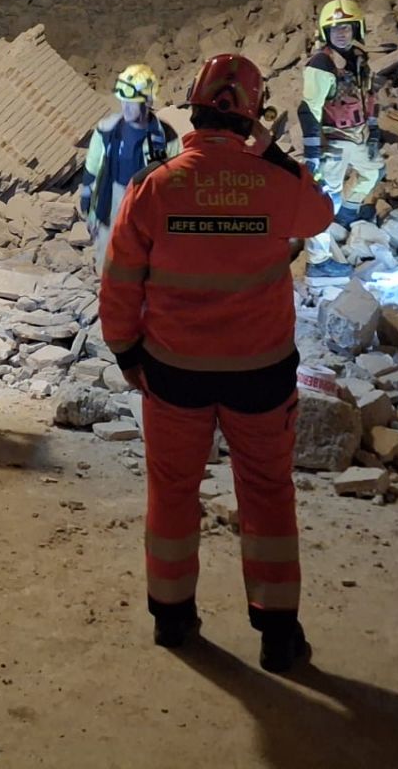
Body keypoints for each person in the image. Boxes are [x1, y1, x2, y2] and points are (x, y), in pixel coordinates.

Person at [100, 53, 334, 674]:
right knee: (266, 495)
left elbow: (120, 279)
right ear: (253, 116)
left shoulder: (157, 184)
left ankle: (173, 618)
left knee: (173, 492)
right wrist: (272, 152)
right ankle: (278, 634)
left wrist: (126, 351)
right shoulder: (274, 182)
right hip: (261, 373)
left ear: (193, 110)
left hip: (174, 372)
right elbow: (322, 214)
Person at [297, 0, 382, 277]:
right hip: (333, 140)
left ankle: (347, 214)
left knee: (373, 171)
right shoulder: (321, 64)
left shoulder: (359, 60)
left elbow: (368, 95)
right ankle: (318, 261)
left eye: (347, 27)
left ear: (356, 29)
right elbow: (308, 110)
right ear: (325, 33)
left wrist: (373, 129)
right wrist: (311, 155)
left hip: (358, 135)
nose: (342, 33)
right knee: (324, 200)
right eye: (335, 29)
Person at [78, 64, 177, 274]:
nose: (125, 107)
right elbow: (92, 171)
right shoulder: (107, 130)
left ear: (148, 101)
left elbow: (176, 183)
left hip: (146, 205)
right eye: (122, 100)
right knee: (108, 264)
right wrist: (89, 209)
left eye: (132, 101)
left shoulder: (167, 137)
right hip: (112, 198)